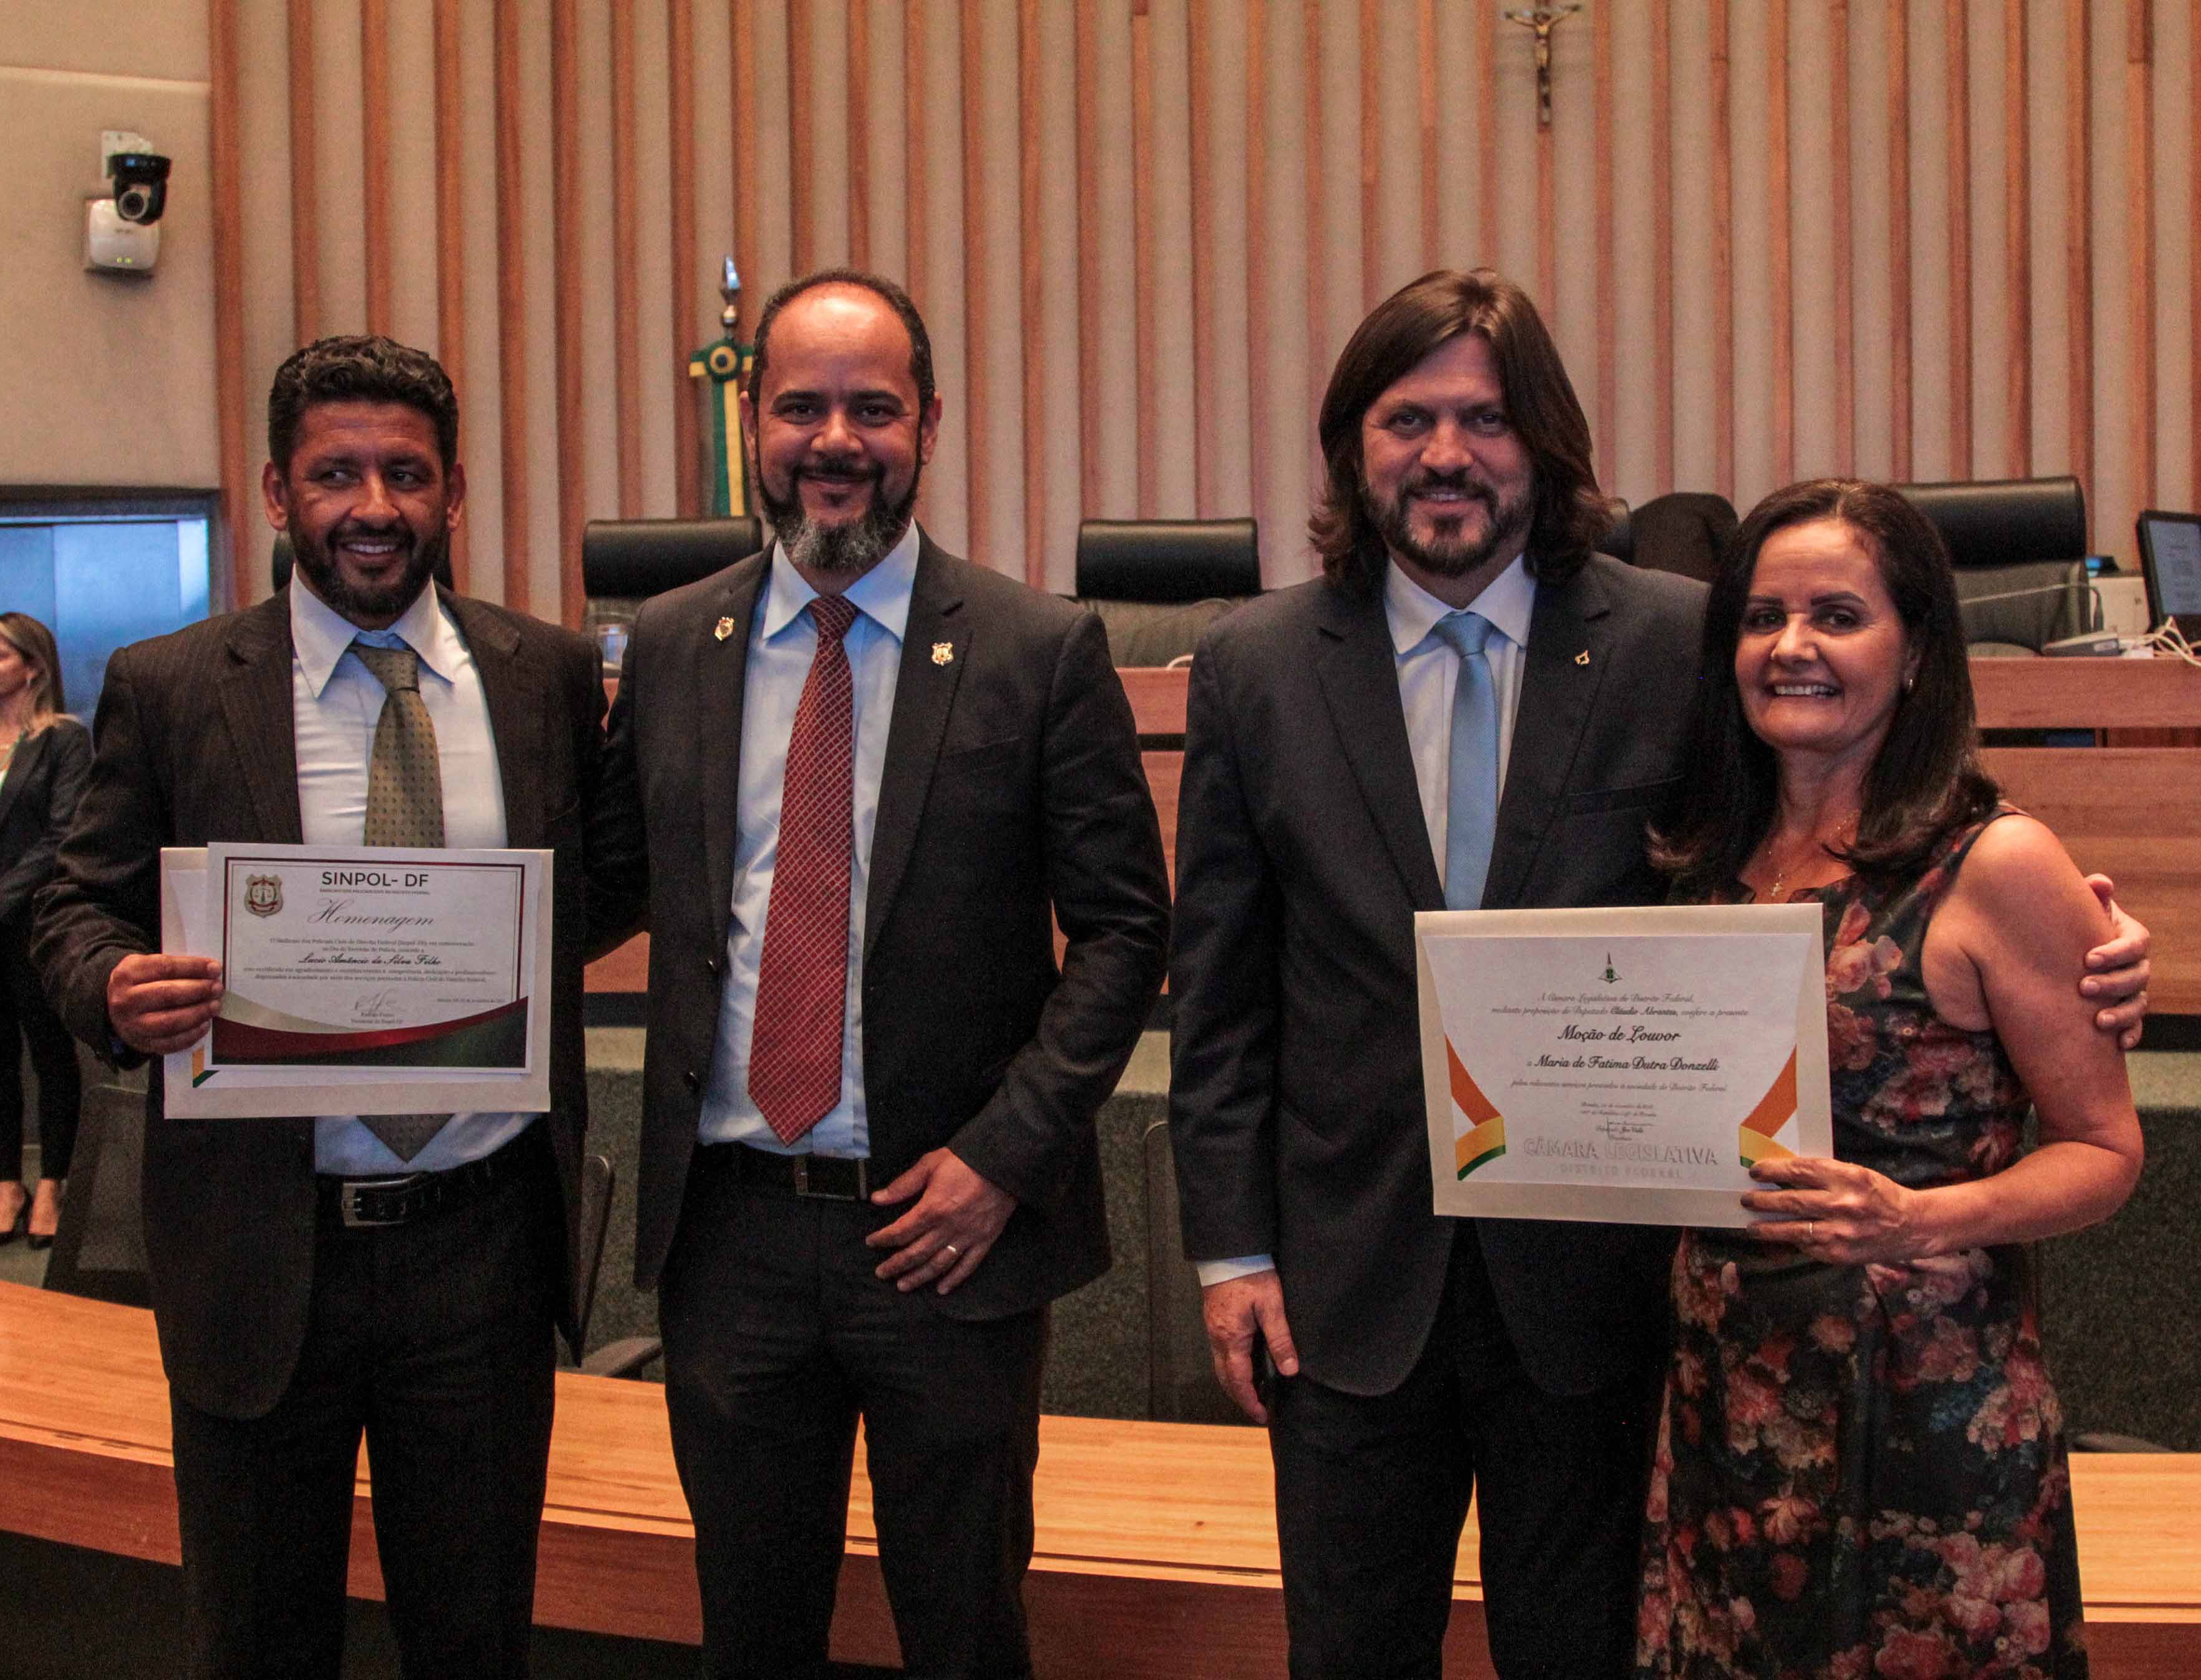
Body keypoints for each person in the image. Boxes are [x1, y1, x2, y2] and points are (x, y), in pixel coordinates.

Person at [1164, 269, 2152, 1680]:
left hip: (1602, 1289)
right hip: (1344, 1277)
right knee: (1345, 1648)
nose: (1447, 451)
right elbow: (1222, 984)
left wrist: (2094, 941)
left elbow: (1875, 827)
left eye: (1487, 418)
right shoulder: (1250, 663)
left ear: (1545, 443)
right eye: (1408, 416)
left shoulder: (1672, 636)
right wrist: (1232, 1250)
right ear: (1352, 442)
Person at [592, 268, 1169, 1679]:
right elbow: (587, 888)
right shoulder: (668, 646)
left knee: (963, 1626)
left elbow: (1124, 933)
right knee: (752, 1624)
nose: (834, 439)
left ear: (928, 422)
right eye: (800, 406)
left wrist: (1004, 1159)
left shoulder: (1038, 651)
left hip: (945, 1233)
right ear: (753, 425)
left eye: (872, 407)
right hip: (729, 1237)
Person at [33, 335, 610, 1680]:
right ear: (279, 492)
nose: (374, 506)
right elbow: (74, 905)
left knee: (472, 1639)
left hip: (480, 1252)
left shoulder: (548, 680)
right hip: (255, 1242)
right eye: (335, 472)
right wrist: (113, 983)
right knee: (255, 1640)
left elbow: (606, 888)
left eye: (405, 474)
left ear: (454, 494)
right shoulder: (171, 686)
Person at [1633, 479, 2141, 1678]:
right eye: (1762, 618)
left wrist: (1919, 1216)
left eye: (1837, 615)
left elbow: (2108, 1153)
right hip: (1729, 1401)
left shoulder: (1995, 859)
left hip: (1919, 1418)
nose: (1792, 647)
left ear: (1916, 651)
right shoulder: (1708, 860)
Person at [0, 613, 89, 1248]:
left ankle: (52, 1186)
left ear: (34, 667)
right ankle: (6, 1186)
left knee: (49, 1050)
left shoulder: (64, 739)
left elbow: (63, 834)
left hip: (32, 918)